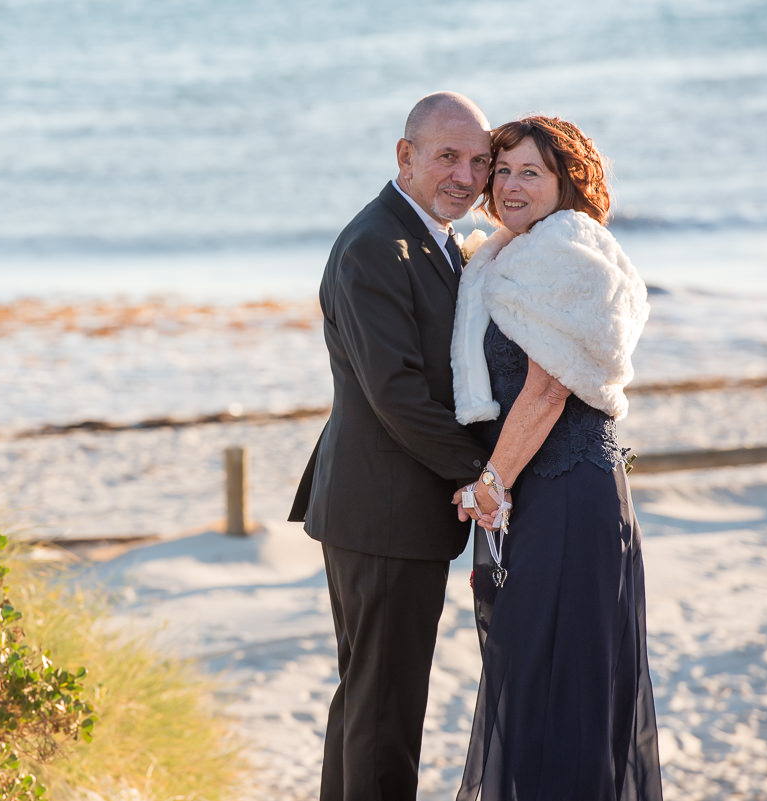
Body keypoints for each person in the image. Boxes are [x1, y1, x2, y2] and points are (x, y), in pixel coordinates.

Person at [449, 115, 663, 800]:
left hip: (568, 494)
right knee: (535, 682)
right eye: (502, 170)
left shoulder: (565, 250)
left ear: (566, 181)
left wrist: (490, 484)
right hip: (544, 496)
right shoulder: (518, 252)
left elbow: (545, 390)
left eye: (530, 172)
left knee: (562, 690)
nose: (511, 186)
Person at [288, 91, 494, 801]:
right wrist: (486, 476)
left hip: (385, 506)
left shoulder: (434, 239)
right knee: (384, 712)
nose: (465, 176)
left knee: (370, 701)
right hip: (382, 508)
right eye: (447, 156)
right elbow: (397, 394)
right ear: (405, 156)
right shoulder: (378, 245)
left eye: (478, 160)